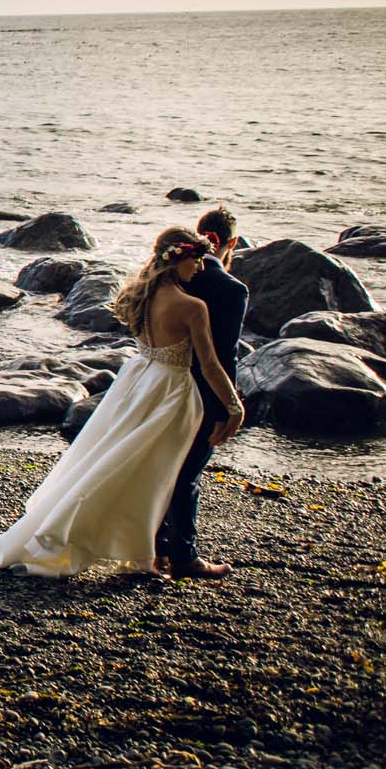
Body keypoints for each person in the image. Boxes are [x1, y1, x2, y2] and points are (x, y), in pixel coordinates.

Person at [0, 227, 246, 577]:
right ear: (179, 260)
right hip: (171, 391)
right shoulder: (192, 307)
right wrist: (233, 405)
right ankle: (142, 556)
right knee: (154, 476)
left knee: (116, 462)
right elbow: (212, 365)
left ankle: (140, 552)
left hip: (138, 382)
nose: (200, 269)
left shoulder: (140, 297)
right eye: (196, 260)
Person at [153, 206, 250, 579]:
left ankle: (157, 546)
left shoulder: (169, 277)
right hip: (201, 392)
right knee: (189, 473)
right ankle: (184, 554)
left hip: (157, 384)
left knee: (161, 467)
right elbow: (224, 353)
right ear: (232, 243)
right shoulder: (232, 289)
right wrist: (230, 404)